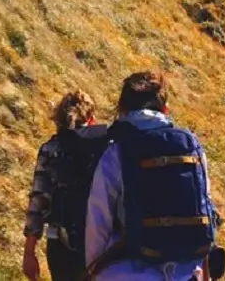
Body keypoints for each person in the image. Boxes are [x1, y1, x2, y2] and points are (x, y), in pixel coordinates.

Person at [85, 72, 218, 281]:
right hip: (186, 273)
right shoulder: (190, 145)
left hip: (127, 272)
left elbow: (99, 217)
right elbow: (205, 204)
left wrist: (94, 268)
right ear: (164, 109)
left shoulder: (117, 150)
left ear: (122, 108)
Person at [24, 91, 111, 281]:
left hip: (60, 242)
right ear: (91, 119)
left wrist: (29, 252)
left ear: (57, 120)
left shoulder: (50, 149)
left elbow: (38, 202)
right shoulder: (106, 148)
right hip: (99, 242)